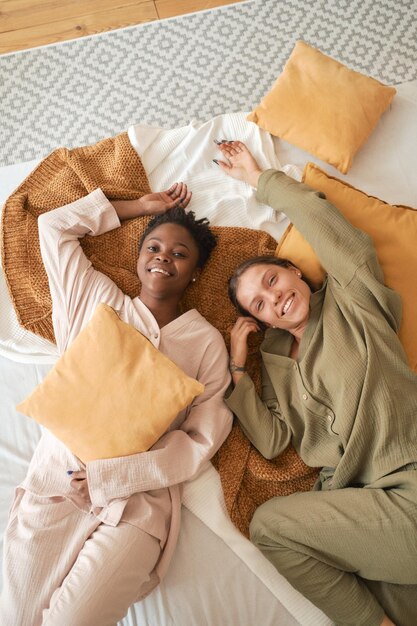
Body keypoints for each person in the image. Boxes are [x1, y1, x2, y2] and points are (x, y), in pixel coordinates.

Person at [0, 183, 232, 625]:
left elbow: (200, 442)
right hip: (56, 485)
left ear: (196, 272)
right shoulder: (94, 300)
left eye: (180, 253)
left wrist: (112, 477)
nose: (164, 256)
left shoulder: (204, 343)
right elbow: (53, 228)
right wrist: (139, 207)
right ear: (139, 256)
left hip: (137, 506)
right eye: (154, 246)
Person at [214, 141, 417, 626]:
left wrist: (259, 179)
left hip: (409, 484)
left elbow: (328, 228)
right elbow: (274, 439)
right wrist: (238, 371)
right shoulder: (276, 364)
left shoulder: (355, 303)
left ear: (292, 270)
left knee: (270, 528)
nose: (273, 299)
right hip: (362, 514)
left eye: (270, 281)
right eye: (258, 306)